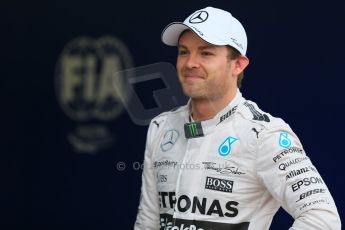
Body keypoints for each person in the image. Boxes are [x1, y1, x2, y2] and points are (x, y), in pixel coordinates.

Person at [134, 6, 341, 230]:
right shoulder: (161, 126)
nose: (190, 62)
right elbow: (148, 223)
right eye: (184, 52)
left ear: (238, 64)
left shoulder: (263, 134)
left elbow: (322, 218)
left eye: (206, 53)